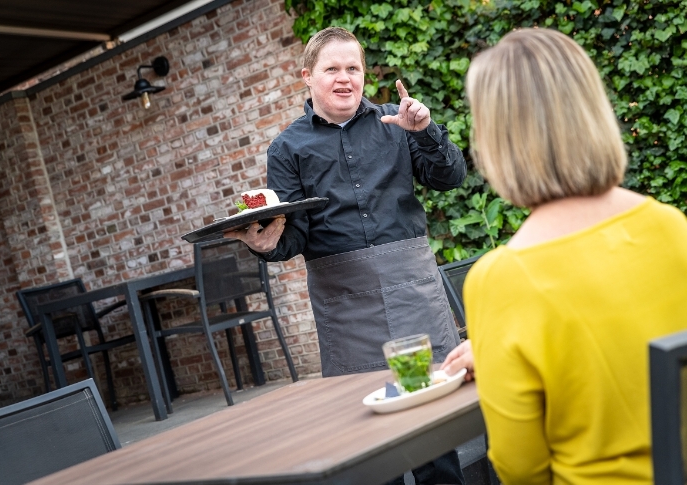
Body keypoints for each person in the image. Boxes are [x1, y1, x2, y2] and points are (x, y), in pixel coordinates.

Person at [225, 26, 467, 485]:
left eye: (352, 68)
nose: (344, 78)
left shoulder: (400, 121)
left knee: (432, 430)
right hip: (345, 302)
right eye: (331, 68)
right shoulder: (287, 148)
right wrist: (267, 246)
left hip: (413, 290)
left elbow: (450, 178)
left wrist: (428, 131)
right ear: (307, 77)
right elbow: (292, 237)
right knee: (372, 445)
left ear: (363, 75)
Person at [452, 27, 687, 484]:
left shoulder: (499, 282)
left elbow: (521, 469)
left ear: (497, 141)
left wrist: (503, 353)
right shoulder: (672, 225)